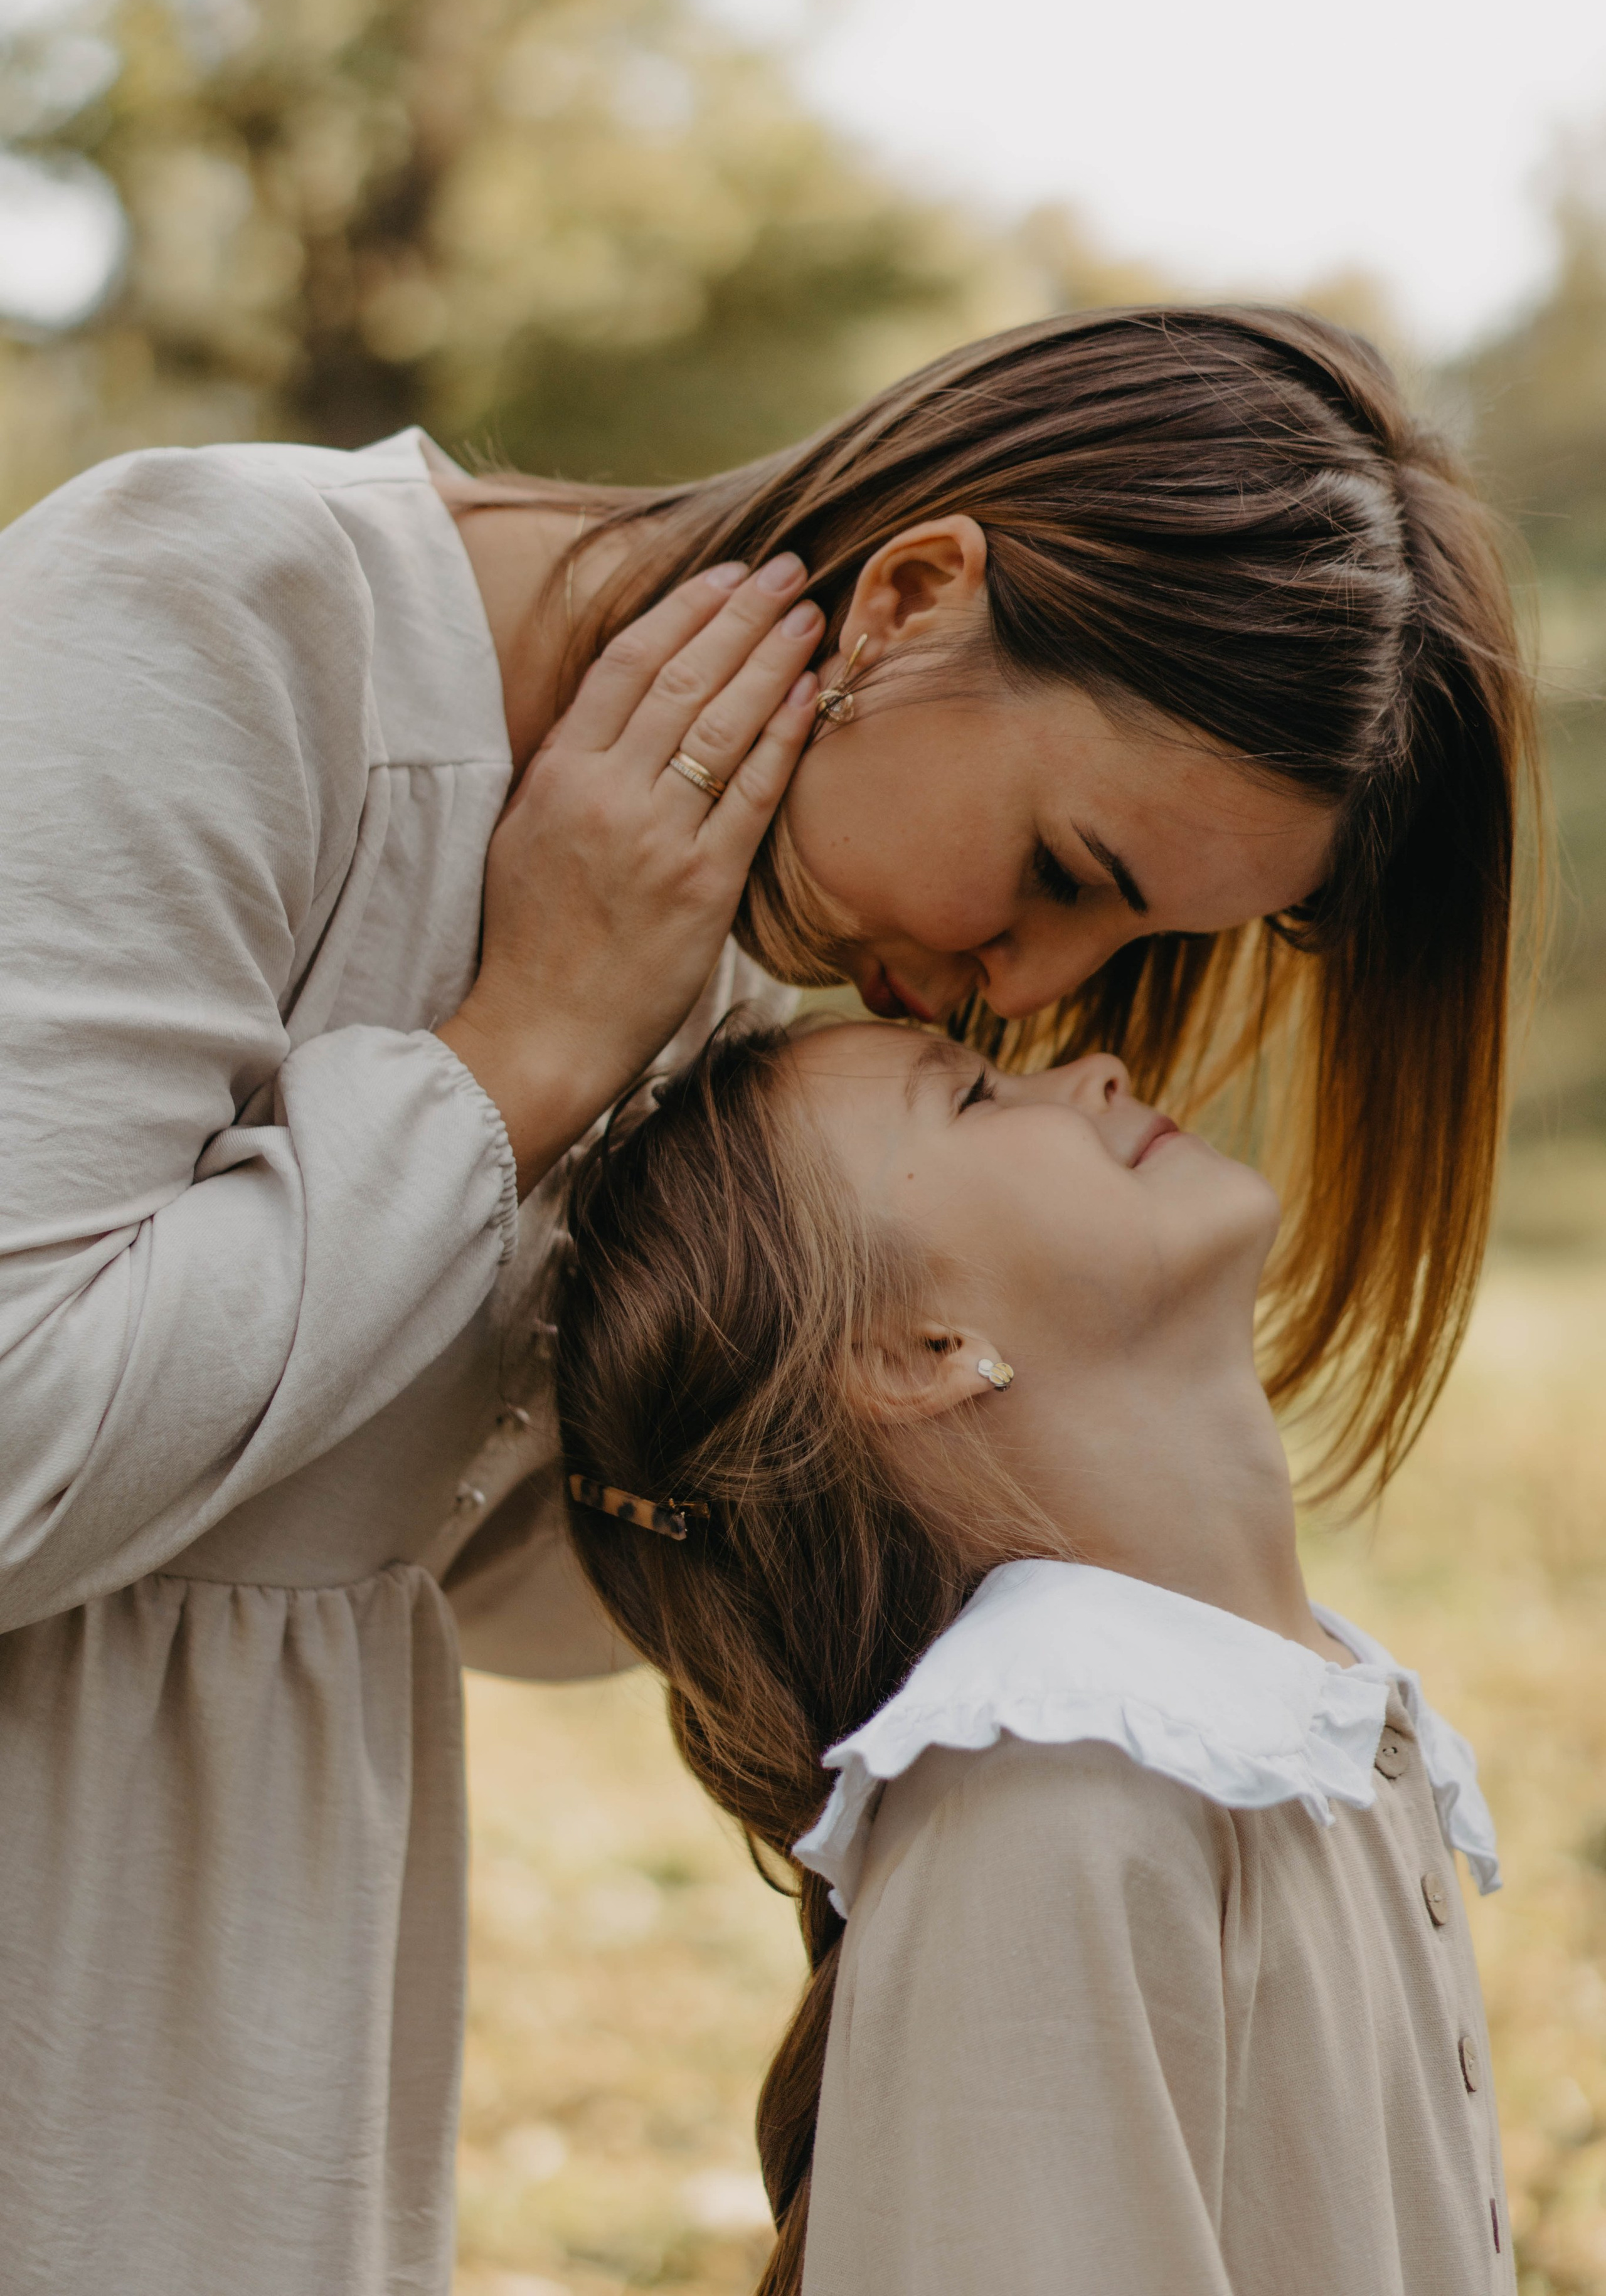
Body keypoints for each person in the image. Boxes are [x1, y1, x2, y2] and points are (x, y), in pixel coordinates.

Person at [0, 307, 1528, 2294]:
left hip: (256, 1964)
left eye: (1126, 936)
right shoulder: (228, 619)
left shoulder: (723, 924)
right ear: (912, 595)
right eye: (1064, 870)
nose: (1031, 990)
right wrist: (525, 1050)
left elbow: (430, 1558)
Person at [553, 1016, 1512, 2296]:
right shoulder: (1055, 1792)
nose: (1097, 1071)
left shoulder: (1260, 1722)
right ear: (917, 1352)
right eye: (974, 1097)